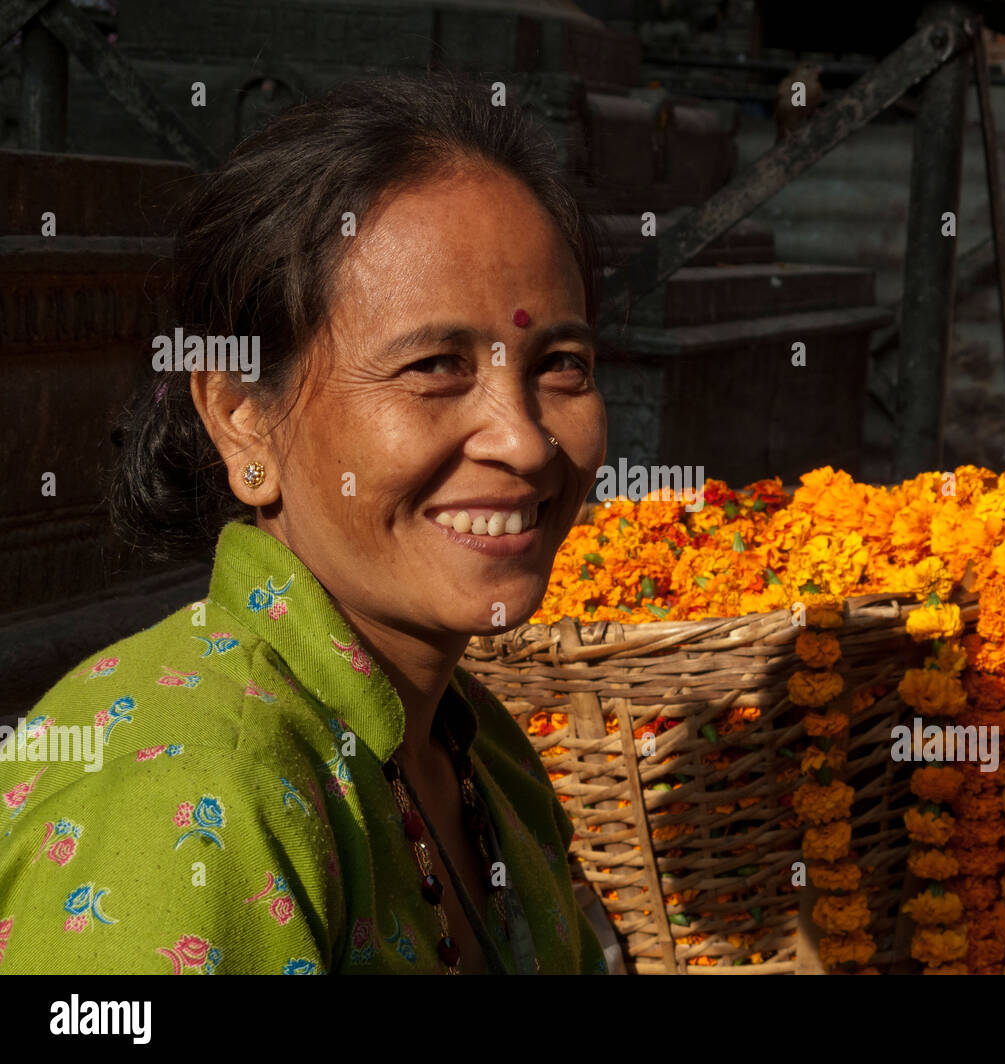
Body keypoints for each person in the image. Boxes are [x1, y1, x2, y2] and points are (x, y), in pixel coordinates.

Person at [0, 72, 612, 974]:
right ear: (244, 414)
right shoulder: (198, 799)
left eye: (560, 363)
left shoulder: (475, 748)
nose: (523, 442)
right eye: (435, 365)